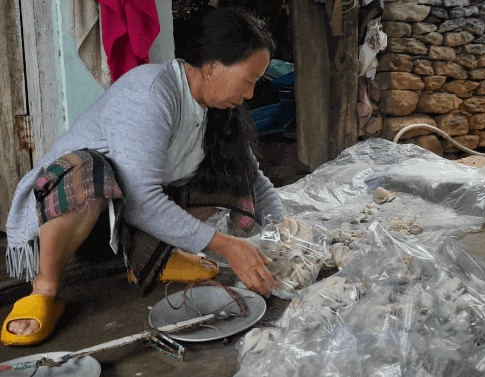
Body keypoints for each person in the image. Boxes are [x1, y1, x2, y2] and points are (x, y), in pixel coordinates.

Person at [1, 6, 286, 347]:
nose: (251, 94)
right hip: (73, 220)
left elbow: (253, 179)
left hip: (124, 223)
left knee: (229, 173)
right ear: (210, 68)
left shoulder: (215, 108)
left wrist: (288, 236)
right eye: (248, 81)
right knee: (88, 170)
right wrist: (227, 245)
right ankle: (45, 289)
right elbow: (139, 200)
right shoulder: (149, 93)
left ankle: (151, 259)